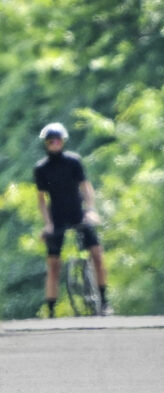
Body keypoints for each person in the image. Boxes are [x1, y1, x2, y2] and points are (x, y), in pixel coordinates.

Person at [34, 122, 112, 317]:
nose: (54, 144)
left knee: (97, 254)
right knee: (53, 264)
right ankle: (50, 309)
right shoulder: (41, 168)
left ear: (63, 141)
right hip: (57, 216)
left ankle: (104, 301)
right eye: (50, 141)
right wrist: (48, 224)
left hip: (77, 212)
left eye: (58, 140)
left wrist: (91, 210)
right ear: (46, 144)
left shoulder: (73, 162)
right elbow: (42, 200)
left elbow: (86, 187)